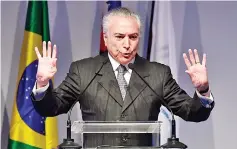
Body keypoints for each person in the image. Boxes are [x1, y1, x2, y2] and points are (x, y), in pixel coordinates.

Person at [31, 7, 214, 147]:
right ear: (105, 37)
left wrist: (202, 90)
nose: (127, 44)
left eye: (133, 37)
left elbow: (192, 112)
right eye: (119, 37)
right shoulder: (83, 70)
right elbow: (51, 108)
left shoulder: (158, 73)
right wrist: (42, 83)